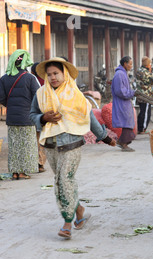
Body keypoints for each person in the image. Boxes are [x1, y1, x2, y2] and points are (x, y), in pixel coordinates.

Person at [30, 57, 116, 239]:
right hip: (50, 145)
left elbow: (89, 118)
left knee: (66, 180)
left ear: (64, 74)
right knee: (60, 182)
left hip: (72, 144)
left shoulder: (76, 96)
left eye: (56, 73)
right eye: (50, 74)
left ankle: (67, 222)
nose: (53, 77)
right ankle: (80, 211)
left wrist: (105, 138)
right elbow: (32, 115)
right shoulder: (40, 94)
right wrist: (43, 118)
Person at [0, 49, 40, 180]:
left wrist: (11, 106)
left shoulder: (4, 78)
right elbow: (37, 96)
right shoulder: (29, 78)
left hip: (12, 117)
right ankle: (23, 172)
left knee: (14, 145)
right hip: (27, 117)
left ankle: (15, 172)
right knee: (27, 145)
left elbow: (1, 98)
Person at [111, 56, 136, 152]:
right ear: (125, 64)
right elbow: (120, 91)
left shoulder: (123, 73)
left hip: (125, 102)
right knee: (126, 122)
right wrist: (132, 93)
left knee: (128, 121)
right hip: (122, 102)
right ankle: (123, 143)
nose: (131, 66)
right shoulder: (119, 74)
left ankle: (123, 141)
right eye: (130, 64)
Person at [31, 62, 47, 172]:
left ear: (32, 72)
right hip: (44, 115)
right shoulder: (47, 82)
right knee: (42, 140)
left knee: (34, 140)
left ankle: (35, 162)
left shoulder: (31, 80)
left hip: (34, 114)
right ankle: (40, 163)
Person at [135, 56, 153, 134]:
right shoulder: (146, 72)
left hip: (140, 94)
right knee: (146, 113)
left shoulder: (138, 70)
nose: (150, 65)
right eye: (150, 64)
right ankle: (142, 129)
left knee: (142, 111)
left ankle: (138, 128)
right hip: (146, 95)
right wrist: (150, 71)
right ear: (147, 65)